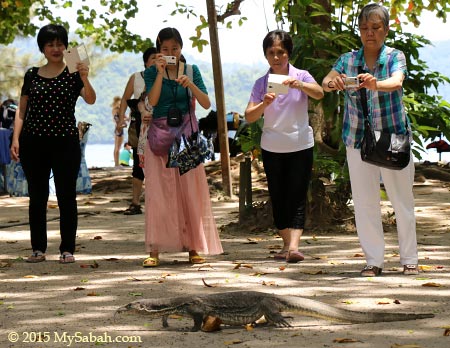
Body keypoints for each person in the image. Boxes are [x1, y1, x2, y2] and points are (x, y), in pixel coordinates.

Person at [322, 3, 418, 276]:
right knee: (364, 203)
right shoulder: (347, 60)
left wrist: (375, 83)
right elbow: (325, 82)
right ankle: (373, 261)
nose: (370, 33)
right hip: (358, 140)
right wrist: (334, 82)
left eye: (375, 28)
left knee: (402, 200)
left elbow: (397, 82)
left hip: (393, 138)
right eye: (364, 28)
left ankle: (409, 258)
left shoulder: (395, 56)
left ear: (386, 30)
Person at [9, 24, 96, 263]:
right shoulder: (32, 74)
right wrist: (15, 138)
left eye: (60, 44)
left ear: (66, 46)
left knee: (66, 196)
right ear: (43, 48)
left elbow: (90, 99)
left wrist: (85, 77)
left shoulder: (73, 73)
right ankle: (38, 249)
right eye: (50, 44)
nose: (56, 48)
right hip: (33, 143)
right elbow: (22, 111)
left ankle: (67, 249)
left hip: (65, 143)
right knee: (37, 197)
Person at [141, 27, 223, 267]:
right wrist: (158, 73)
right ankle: (154, 249)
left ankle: (193, 247)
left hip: (187, 136)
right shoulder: (150, 72)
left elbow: (207, 103)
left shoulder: (191, 70)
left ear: (181, 48)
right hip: (160, 138)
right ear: (158, 49)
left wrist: (191, 86)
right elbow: (153, 101)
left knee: (190, 192)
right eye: (165, 49)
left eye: (174, 49)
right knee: (159, 194)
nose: (170, 53)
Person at [244, 30, 324, 263]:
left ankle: (294, 247)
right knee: (278, 197)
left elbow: (319, 93)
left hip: (300, 145)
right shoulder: (261, 84)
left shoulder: (301, 75)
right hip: (272, 147)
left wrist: (299, 85)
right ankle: (287, 245)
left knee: (298, 195)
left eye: (281, 52)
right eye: (272, 53)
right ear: (266, 55)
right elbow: (249, 116)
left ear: (288, 53)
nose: (277, 57)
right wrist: (263, 103)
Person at [116, 47, 157, 215]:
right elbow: (125, 99)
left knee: (159, 165)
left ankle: (157, 203)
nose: (156, 61)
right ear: (146, 62)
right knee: (138, 164)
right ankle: (135, 202)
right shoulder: (136, 78)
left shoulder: (165, 77)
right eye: (153, 58)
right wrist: (120, 119)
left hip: (160, 126)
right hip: (138, 125)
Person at [112, 95, 125, 167]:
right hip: (119, 129)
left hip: (117, 129)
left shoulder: (114, 110)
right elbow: (118, 120)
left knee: (116, 147)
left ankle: (116, 163)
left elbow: (115, 120)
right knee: (118, 147)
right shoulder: (117, 110)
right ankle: (116, 164)